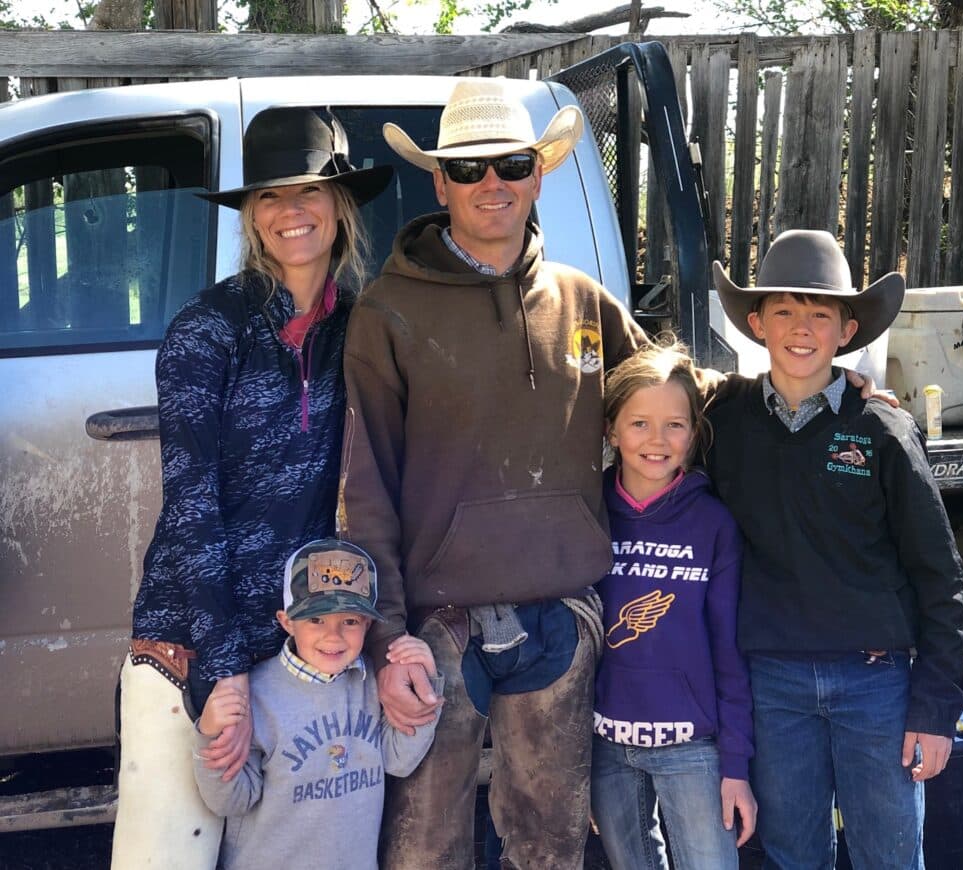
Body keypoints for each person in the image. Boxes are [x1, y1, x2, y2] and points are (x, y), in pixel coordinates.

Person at [338, 79, 650, 869]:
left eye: (510, 165)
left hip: (560, 617)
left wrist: (815, 386)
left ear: (538, 173)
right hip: (437, 629)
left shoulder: (581, 299)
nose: (492, 185)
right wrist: (386, 638)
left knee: (548, 846)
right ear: (439, 183)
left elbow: (665, 397)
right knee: (423, 848)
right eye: (469, 171)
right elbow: (365, 484)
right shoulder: (388, 312)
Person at [110, 106, 393, 870]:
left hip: (295, 646)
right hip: (190, 637)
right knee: (168, 856)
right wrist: (224, 668)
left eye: (308, 190)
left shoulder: (357, 329)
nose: (290, 211)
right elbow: (191, 502)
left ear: (341, 204)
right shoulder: (208, 330)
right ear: (250, 215)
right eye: (268, 195)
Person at [706, 229, 963, 870]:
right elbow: (648, 393)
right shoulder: (723, 419)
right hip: (773, 682)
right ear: (756, 322)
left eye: (820, 314)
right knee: (795, 854)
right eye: (785, 311)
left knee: (889, 855)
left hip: (874, 683)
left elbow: (941, 577)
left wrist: (934, 708)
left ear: (847, 330)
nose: (802, 328)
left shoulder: (880, 428)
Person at [590, 341, 757, 870]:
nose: (657, 440)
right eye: (639, 423)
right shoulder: (587, 512)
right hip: (606, 749)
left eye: (675, 425)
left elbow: (730, 652)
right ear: (611, 429)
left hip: (693, 747)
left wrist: (736, 766)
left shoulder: (713, 524)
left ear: (694, 433)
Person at [192, 538, 443, 870]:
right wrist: (209, 733)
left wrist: (426, 681)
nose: (333, 635)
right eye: (316, 620)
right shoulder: (257, 696)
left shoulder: (369, 683)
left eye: (350, 621)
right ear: (287, 621)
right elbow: (230, 801)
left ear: (368, 624)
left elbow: (399, 759)